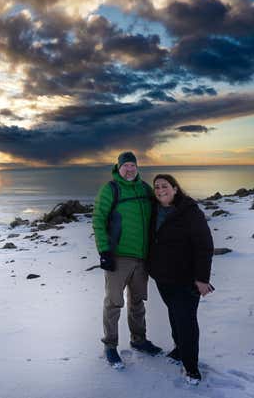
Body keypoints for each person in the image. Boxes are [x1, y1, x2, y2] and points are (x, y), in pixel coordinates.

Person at [92, 151, 161, 368]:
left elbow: (158, 214)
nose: (129, 169)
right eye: (125, 166)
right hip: (119, 257)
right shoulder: (110, 189)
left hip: (142, 257)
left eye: (133, 165)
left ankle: (139, 340)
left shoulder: (145, 189)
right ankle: (110, 346)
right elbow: (98, 220)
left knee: (137, 301)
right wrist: (104, 252)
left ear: (137, 167)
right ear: (118, 168)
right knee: (114, 303)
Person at [148, 174, 214, 385]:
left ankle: (191, 368)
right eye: (156, 187)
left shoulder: (190, 212)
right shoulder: (154, 210)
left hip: (186, 279)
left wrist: (202, 279)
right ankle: (179, 350)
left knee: (186, 321)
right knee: (174, 315)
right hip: (163, 277)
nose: (160, 190)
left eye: (165, 186)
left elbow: (204, 246)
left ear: (175, 188)